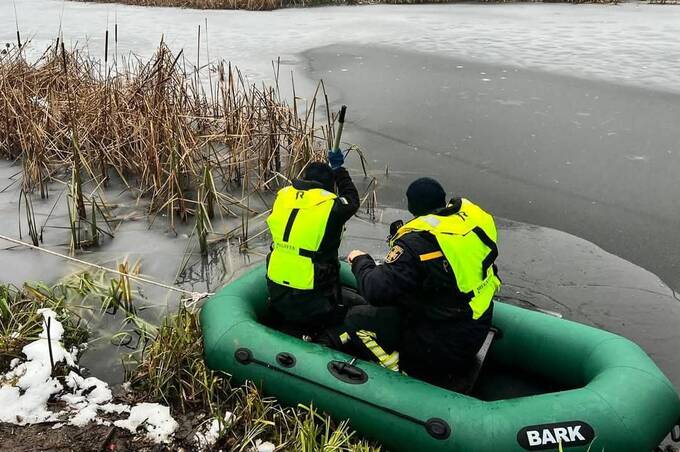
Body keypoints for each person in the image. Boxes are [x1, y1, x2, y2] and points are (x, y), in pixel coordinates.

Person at [323, 177, 501, 387]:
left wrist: (360, 261)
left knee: (356, 319)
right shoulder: (462, 229)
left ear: (411, 206)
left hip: (443, 346)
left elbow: (374, 290)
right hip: (476, 327)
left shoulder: (418, 242)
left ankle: (400, 374)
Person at [265, 148, 360, 338]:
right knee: (332, 314)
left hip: (276, 277)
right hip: (310, 287)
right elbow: (352, 199)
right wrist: (340, 169)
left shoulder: (283, 197)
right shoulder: (330, 206)